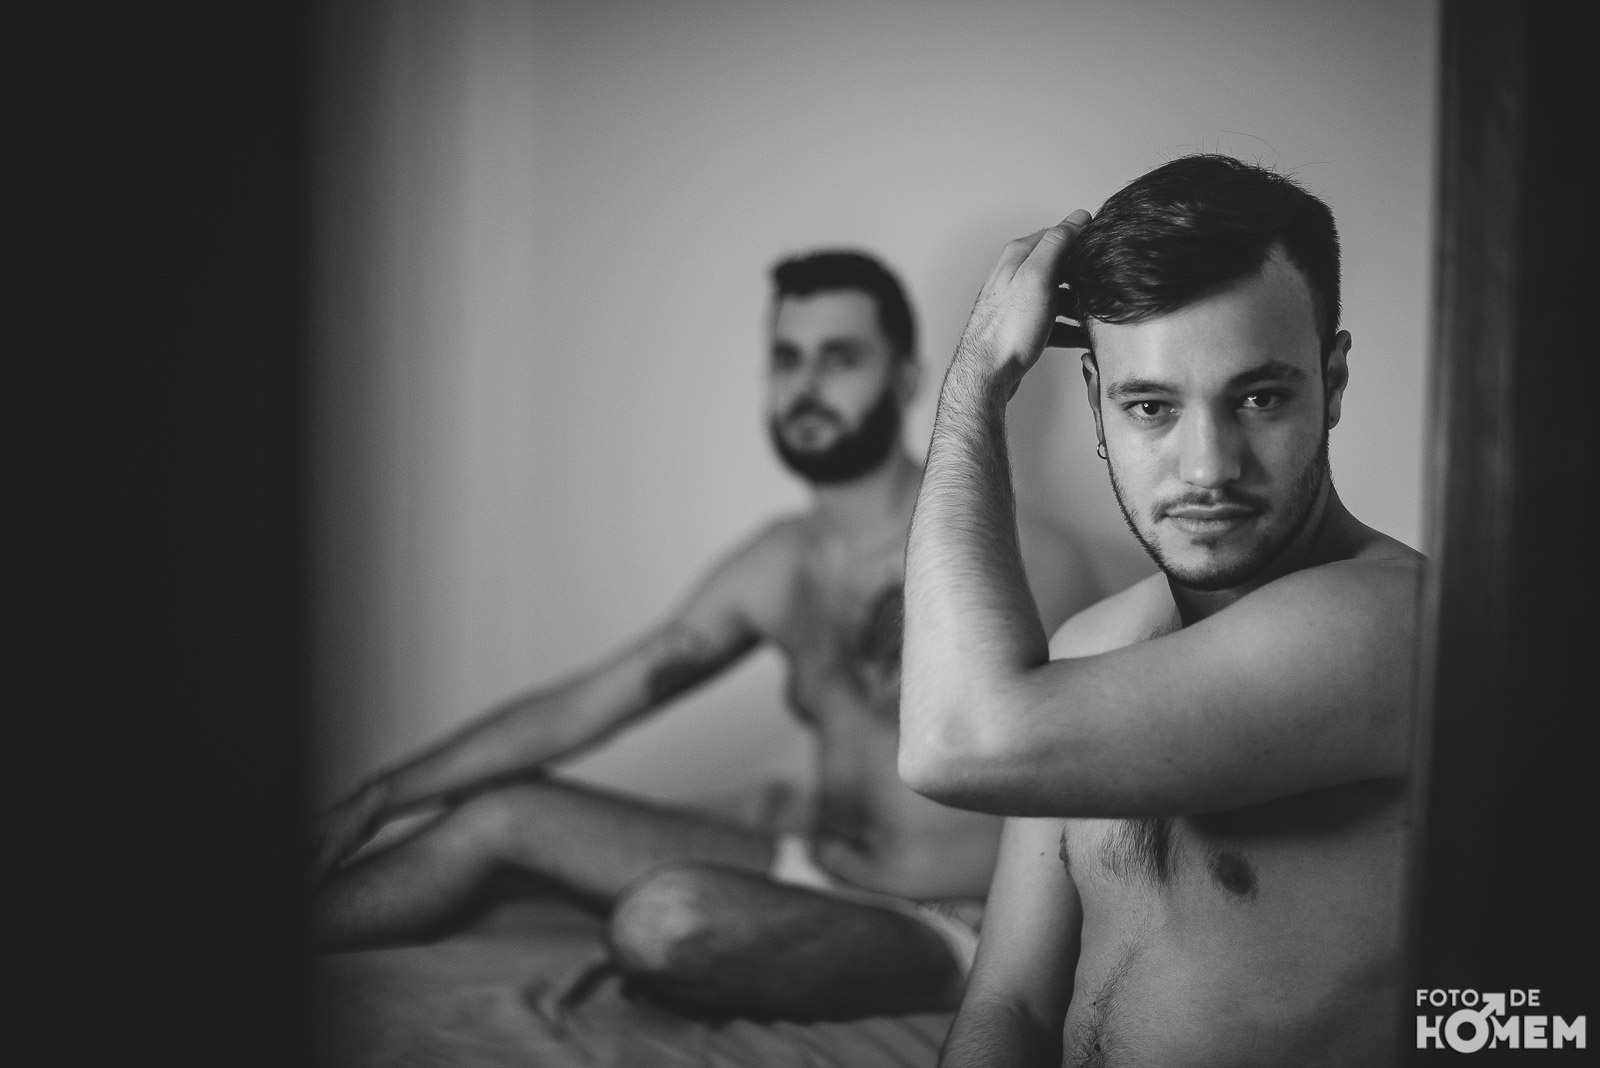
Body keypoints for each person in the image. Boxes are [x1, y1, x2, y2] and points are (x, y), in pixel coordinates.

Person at [312, 250, 1103, 1020]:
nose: (806, 385)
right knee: (500, 812)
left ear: (903, 378)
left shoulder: (1021, 552)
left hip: (951, 923)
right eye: (787, 359)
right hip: (811, 867)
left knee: (663, 921)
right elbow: (587, 704)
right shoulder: (781, 562)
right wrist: (379, 796)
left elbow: (1089, 780)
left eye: (839, 358)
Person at [897, 156, 1421, 1065]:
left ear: (1333, 384)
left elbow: (953, 741)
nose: (1209, 466)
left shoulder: (1398, 627)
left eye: (1259, 397)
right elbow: (1011, 1003)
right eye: (1151, 406)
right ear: (1096, 406)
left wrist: (979, 377)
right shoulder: (1088, 646)